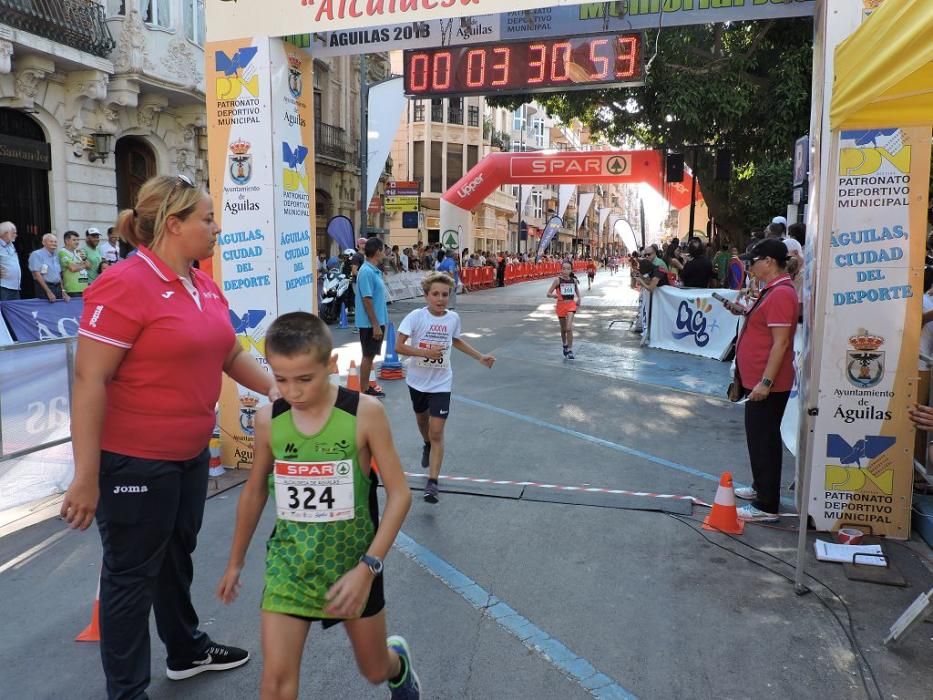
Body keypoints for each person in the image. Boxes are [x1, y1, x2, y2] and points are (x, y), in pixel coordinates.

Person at [60, 174, 275, 700]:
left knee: (176, 557)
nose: (216, 227)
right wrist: (86, 477)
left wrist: (287, 391)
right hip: (133, 461)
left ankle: (185, 650)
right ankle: (128, 692)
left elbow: (227, 354)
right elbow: (90, 380)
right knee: (130, 578)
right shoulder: (124, 283)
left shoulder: (202, 283)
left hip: (188, 455)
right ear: (174, 225)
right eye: (206, 218)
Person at [217, 312, 420, 700]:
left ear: (330, 365)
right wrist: (235, 561)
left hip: (354, 565)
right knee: (275, 684)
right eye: (280, 379)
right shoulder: (267, 421)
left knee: (374, 669)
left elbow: (400, 494)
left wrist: (368, 567)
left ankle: (398, 664)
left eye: (305, 379)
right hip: (289, 567)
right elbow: (255, 491)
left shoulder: (364, 413)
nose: (292, 392)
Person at [396, 273, 495, 503]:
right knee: (423, 423)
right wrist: (423, 352)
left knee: (437, 430)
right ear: (426, 295)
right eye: (435, 294)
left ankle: (433, 482)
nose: (440, 299)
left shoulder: (452, 318)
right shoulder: (415, 317)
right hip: (417, 381)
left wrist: (480, 357)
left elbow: (456, 340)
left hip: (441, 382)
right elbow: (398, 346)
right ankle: (427, 445)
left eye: (445, 295)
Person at [730, 239, 798, 523]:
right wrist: (744, 312)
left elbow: (780, 344)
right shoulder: (772, 290)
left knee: (764, 439)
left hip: (767, 382)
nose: (749, 266)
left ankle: (767, 504)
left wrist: (766, 382)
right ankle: (761, 487)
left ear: (768, 261)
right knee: (758, 437)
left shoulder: (781, 293)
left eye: (753, 261)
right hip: (756, 378)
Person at [356, 237, 389, 399]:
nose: (384, 253)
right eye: (383, 250)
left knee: (370, 355)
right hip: (370, 323)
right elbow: (367, 299)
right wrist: (375, 325)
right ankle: (364, 389)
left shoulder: (374, 270)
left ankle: (366, 387)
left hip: (377, 321)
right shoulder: (366, 271)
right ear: (377, 251)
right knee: (368, 355)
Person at [546, 261, 583, 359]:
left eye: (568, 269)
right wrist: (554, 295)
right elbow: (548, 293)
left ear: (571, 270)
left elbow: (577, 292)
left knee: (568, 328)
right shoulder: (557, 280)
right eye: (563, 268)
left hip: (571, 305)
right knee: (563, 329)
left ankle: (570, 350)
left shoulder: (573, 281)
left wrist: (579, 299)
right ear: (561, 269)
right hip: (561, 306)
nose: (565, 271)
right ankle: (565, 344)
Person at [28, 233, 67, 302]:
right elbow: (37, 275)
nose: (54, 244)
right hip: (44, 288)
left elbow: (58, 275)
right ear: (44, 242)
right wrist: (48, 292)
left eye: (55, 242)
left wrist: (63, 291)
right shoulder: (36, 254)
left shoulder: (56, 256)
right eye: (51, 241)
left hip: (57, 288)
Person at [59, 230, 91, 297]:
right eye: (74, 240)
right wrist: (83, 265)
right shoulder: (62, 252)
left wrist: (84, 260)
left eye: (78, 240)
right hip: (73, 289)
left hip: (84, 287)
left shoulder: (78, 251)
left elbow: (89, 265)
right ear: (67, 241)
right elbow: (73, 268)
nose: (77, 242)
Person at [0, 220, 21, 300]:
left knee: (14, 311)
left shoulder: (11, 245)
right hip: (3, 287)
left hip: (15, 287)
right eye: (13, 233)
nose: (16, 235)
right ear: (5, 233)